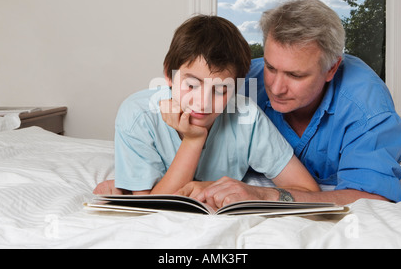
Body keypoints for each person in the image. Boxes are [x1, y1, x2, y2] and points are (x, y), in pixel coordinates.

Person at [178, 0, 401, 208]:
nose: (276, 88)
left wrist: (264, 195)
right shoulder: (240, 82)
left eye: (295, 76)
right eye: (270, 67)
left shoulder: (368, 109)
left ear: (331, 69)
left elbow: (373, 198)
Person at [93, 15, 319, 197]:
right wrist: (194, 139)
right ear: (169, 76)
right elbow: (152, 206)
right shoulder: (138, 115)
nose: (202, 103)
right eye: (191, 85)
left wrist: (256, 193)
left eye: (221, 90)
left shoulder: (247, 116)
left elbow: (307, 190)